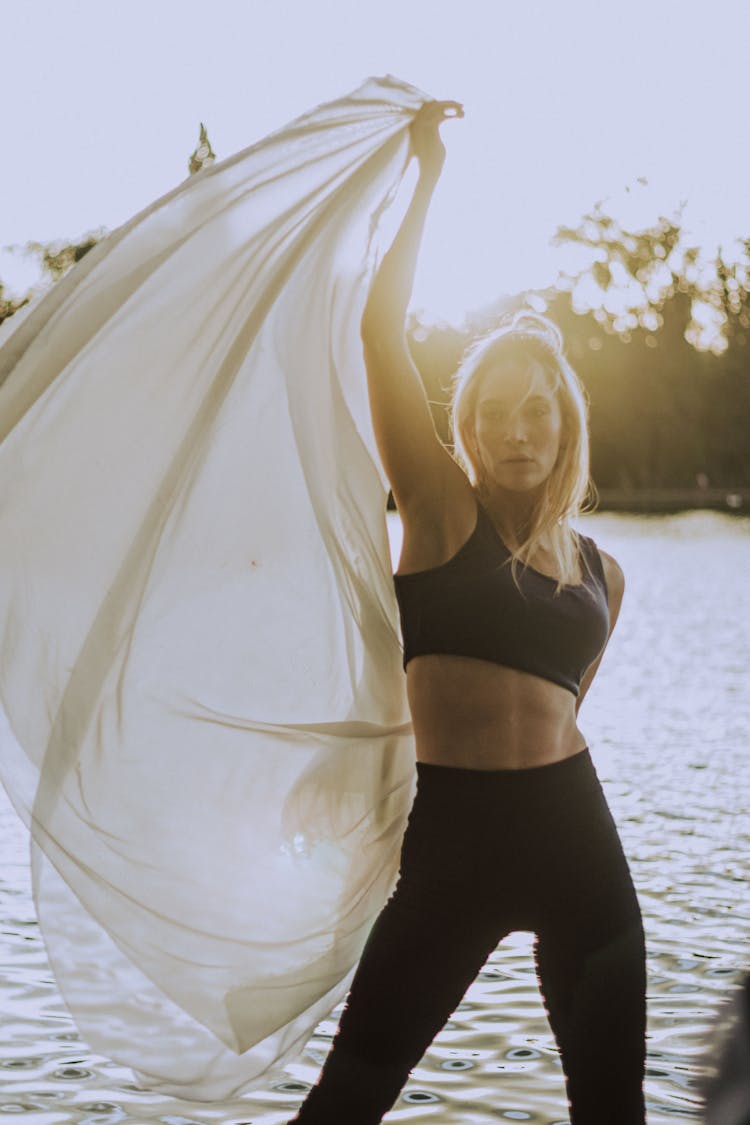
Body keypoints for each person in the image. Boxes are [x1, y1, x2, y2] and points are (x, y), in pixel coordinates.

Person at [289, 101, 647, 1124]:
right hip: (453, 851)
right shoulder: (442, 516)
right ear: (470, 433)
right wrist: (428, 174)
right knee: (350, 1096)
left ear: (564, 420)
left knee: (613, 1109)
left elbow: (563, 710)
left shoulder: (604, 574)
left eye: (537, 409)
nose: (516, 430)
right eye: (494, 415)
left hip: (582, 847)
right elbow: (376, 325)